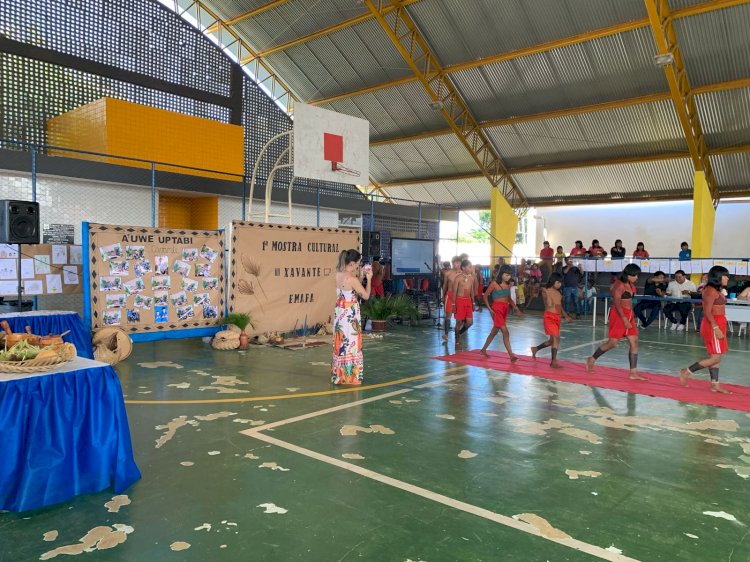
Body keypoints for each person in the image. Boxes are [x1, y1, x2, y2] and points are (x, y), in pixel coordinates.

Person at [586, 263, 647, 380]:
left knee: (634, 342)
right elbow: (617, 304)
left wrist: (630, 316)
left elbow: (629, 302)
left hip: (628, 314)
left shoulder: (630, 284)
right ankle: (592, 359)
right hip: (619, 315)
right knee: (612, 343)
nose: (637, 278)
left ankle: (633, 372)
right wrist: (624, 319)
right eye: (635, 275)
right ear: (629, 274)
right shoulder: (618, 285)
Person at [679, 266, 731, 393]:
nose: (728, 278)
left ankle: (715, 384)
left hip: (718, 322)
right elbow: (707, 312)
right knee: (715, 358)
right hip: (713, 324)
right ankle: (686, 371)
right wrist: (716, 327)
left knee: (715, 356)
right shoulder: (710, 290)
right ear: (718, 277)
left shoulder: (717, 290)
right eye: (725, 276)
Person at [332, 249, 372, 386]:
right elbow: (366, 295)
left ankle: (339, 375)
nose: (359, 265)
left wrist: (360, 277)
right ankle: (351, 377)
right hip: (350, 314)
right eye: (358, 263)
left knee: (342, 342)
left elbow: (350, 289)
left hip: (340, 313)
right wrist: (369, 279)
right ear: (353, 263)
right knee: (351, 344)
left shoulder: (338, 275)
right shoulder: (352, 279)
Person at [531, 273, 573, 368]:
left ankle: (535, 349)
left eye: (560, 283)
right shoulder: (546, 291)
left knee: (551, 341)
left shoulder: (558, 293)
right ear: (553, 281)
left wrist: (566, 316)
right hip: (549, 317)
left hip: (557, 317)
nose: (560, 284)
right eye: (558, 282)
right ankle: (553, 362)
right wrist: (546, 292)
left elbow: (559, 306)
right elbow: (549, 305)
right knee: (556, 338)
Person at [480, 265, 522, 360]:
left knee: (494, 332)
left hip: (505, 308)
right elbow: (485, 296)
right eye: (507, 275)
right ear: (501, 274)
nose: (509, 277)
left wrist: (515, 308)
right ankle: (511, 355)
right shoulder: (494, 283)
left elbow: (509, 299)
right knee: (505, 331)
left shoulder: (508, 285)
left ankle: (483, 349)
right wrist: (490, 309)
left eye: (510, 275)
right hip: (496, 309)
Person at [451, 259, 476, 350]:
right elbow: (454, 292)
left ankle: (459, 333)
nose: (471, 268)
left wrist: (473, 302)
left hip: (468, 301)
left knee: (470, 322)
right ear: (463, 268)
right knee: (459, 322)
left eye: (471, 266)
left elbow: (472, 291)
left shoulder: (471, 278)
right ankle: (457, 340)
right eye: (469, 267)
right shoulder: (458, 278)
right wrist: (453, 305)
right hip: (459, 300)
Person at [441, 256, 462, 341]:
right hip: (449, 296)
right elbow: (445, 285)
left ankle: (458, 334)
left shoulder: (463, 274)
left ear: (460, 263)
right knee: (448, 316)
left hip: (459, 296)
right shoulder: (448, 273)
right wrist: (443, 296)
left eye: (458, 263)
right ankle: (446, 334)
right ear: (452, 263)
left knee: (459, 317)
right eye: (455, 263)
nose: (456, 265)